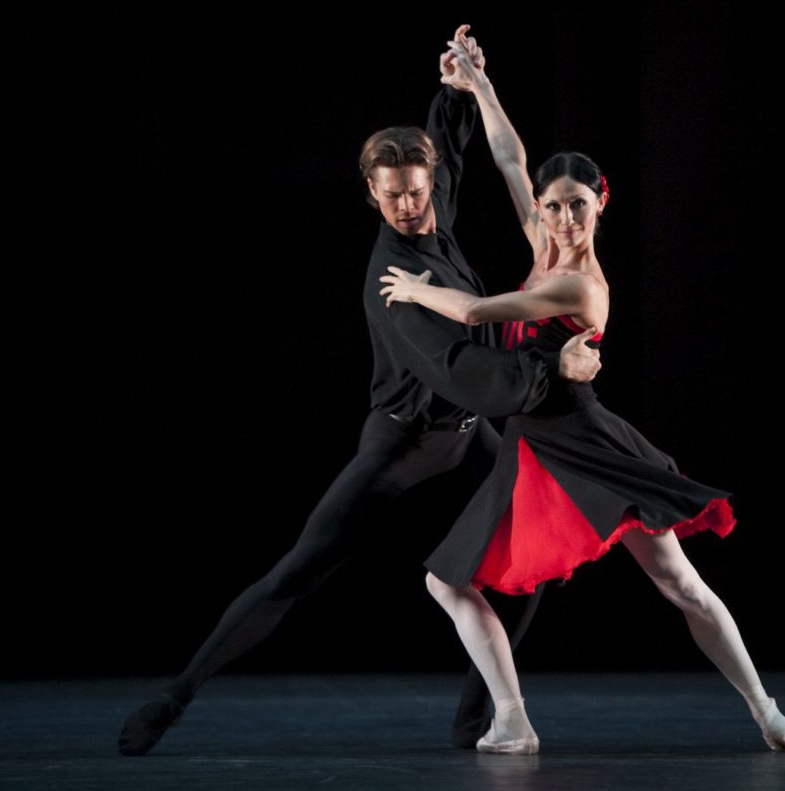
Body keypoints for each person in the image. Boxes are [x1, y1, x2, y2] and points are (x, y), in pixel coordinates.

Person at [116, 28, 601, 757]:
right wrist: (551, 372)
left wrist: (455, 82)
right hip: (405, 439)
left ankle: (482, 715)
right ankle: (175, 694)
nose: (408, 207)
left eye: (414, 191)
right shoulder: (394, 284)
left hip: (467, 433)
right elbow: (463, 369)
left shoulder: (431, 187)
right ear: (371, 196)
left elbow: (451, 141)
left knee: (529, 562)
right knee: (301, 567)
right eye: (392, 197)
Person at [379, 27, 785, 756]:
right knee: (447, 582)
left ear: (600, 205)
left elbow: (473, 312)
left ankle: (769, 713)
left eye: (575, 206)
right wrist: (478, 83)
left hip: (583, 441)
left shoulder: (578, 284)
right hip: (534, 447)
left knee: (680, 583)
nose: (560, 218)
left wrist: (418, 290)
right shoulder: (543, 244)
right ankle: (513, 718)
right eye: (552, 206)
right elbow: (508, 158)